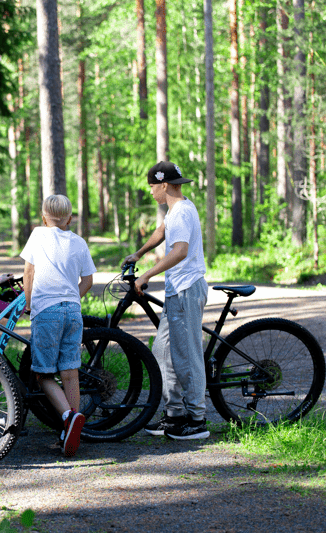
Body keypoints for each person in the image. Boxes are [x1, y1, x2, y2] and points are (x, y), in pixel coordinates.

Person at [122, 161, 209, 440]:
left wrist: (147, 273)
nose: (150, 192)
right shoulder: (177, 210)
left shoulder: (181, 212)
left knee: (186, 356)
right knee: (162, 351)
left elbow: (180, 251)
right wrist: (139, 253)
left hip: (186, 290)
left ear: (163, 184)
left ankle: (197, 420)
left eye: (151, 186)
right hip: (177, 291)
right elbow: (162, 231)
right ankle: (175, 414)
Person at [20, 195, 96, 457]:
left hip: (47, 311)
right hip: (73, 311)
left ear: (43, 217)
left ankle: (67, 416)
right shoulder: (79, 241)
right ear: (70, 218)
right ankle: (70, 431)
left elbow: (28, 273)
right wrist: (71, 296)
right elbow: (87, 280)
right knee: (70, 373)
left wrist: (30, 304)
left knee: (43, 375)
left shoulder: (38, 235)